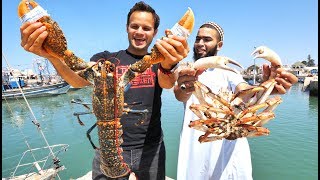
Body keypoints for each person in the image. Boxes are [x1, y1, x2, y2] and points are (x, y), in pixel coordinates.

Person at [20, 1, 189, 180]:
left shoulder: (158, 61)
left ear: (155, 32)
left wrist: (168, 63)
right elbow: (76, 79)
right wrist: (51, 55)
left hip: (149, 149)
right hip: (107, 151)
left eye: (146, 28)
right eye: (134, 26)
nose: (140, 31)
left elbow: (168, 83)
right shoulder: (106, 59)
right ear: (127, 28)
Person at [174, 22, 298, 180]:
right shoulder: (187, 70)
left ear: (219, 45)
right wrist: (185, 87)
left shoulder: (230, 72)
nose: (200, 44)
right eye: (198, 39)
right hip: (197, 143)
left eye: (206, 39)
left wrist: (265, 87)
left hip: (230, 148)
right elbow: (179, 94)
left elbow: (243, 89)